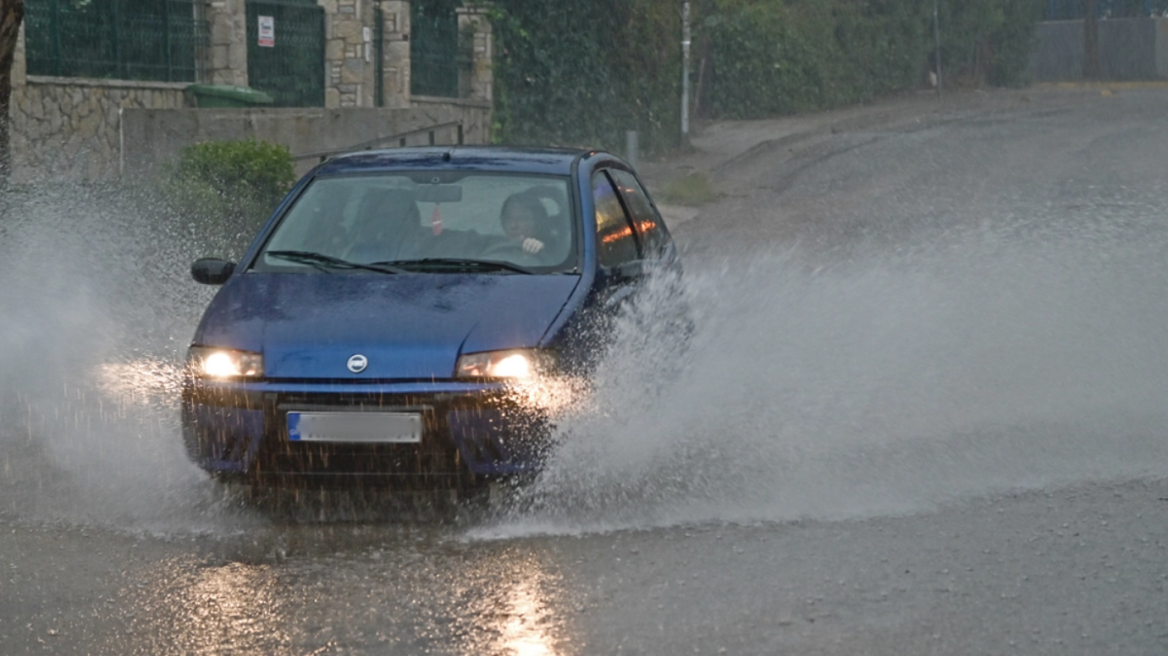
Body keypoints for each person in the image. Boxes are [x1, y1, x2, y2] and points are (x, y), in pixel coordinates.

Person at [499, 192, 550, 257]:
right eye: (508, 218)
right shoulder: (491, 249)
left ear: (536, 223)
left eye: (522, 219)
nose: (513, 225)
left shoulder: (554, 254)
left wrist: (536, 251)